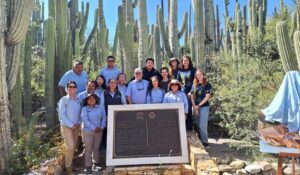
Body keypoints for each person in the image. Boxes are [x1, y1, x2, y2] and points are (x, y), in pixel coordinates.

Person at [57, 81, 82, 175]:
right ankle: (68, 169)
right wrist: (71, 125)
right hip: (66, 126)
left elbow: (80, 113)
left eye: (73, 87)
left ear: (76, 88)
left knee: (74, 147)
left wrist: (78, 122)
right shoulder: (64, 100)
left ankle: (71, 165)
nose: (71, 89)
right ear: (67, 89)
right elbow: (62, 115)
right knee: (70, 146)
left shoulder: (78, 100)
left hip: (76, 126)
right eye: (70, 87)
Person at [81, 94, 106, 173]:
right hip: (88, 132)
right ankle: (88, 166)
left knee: (96, 148)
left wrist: (102, 126)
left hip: (99, 131)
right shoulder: (84, 109)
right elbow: (85, 120)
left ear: (96, 100)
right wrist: (94, 128)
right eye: (89, 99)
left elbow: (104, 118)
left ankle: (95, 163)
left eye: (93, 98)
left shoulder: (100, 107)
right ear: (86, 101)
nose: (91, 100)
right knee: (88, 149)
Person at [191, 69, 212, 147]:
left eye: (200, 74)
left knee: (202, 125)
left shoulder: (207, 84)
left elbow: (207, 97)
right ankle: (199, 140)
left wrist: (198, 106)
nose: (199, 76)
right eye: (197, 75)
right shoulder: (194, 85)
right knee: (197, 125)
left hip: (204, 107)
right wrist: (195, 107)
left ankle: (205, 142)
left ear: (203, 75)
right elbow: (192, 97)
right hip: (195, 107)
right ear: (196, 76)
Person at [177, 55, 196, 130]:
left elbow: (195, 82)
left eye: (187, 60)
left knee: (188, 109)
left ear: (189, 61)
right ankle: (182, 125)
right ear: (182, 62)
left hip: (190, 91)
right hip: (182, 91)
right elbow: (178, 81)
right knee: (182, 108)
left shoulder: (193, 70)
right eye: (184, 60)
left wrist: (191, 92)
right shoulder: (180, 71)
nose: (185, 62)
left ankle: (189, 125)